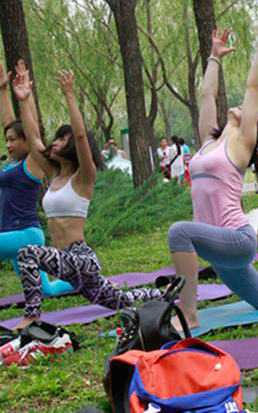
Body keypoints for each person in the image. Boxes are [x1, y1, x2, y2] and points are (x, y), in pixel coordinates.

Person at [167, 22, 258, 329]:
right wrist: (214, 57)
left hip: (235, 240)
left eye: (252, 112)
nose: (245, 106)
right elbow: (207, 95)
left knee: (179, 232)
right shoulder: (208, 143)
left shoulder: (241, 146)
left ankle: (188, 312)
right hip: (217, 245)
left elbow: (253, 87)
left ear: (254, 130)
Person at [13, 64, 164, 329]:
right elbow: (34, 136)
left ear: (72, 147)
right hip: (66, 263)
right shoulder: (53, 175)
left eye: (62, 139)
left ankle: (33, 316)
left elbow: (82, 135)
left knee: (27, 253)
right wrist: (24, 100)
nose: (55, 142)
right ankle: (165, 294)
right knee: (119, 300)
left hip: (79, 258)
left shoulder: (84, 177)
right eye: (57, 138)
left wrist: (70, 94)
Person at [0, 67, 73, 298]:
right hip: (14, 238)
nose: (9, 145)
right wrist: (2, 90)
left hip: (25, 235)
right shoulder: (13, 163)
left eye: (13, 140)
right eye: (6, 141)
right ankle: (86, 281)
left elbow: (32, 131)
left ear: (26, 141)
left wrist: (26, 98)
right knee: (46, 290)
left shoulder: (32, 163)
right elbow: (11, 124)